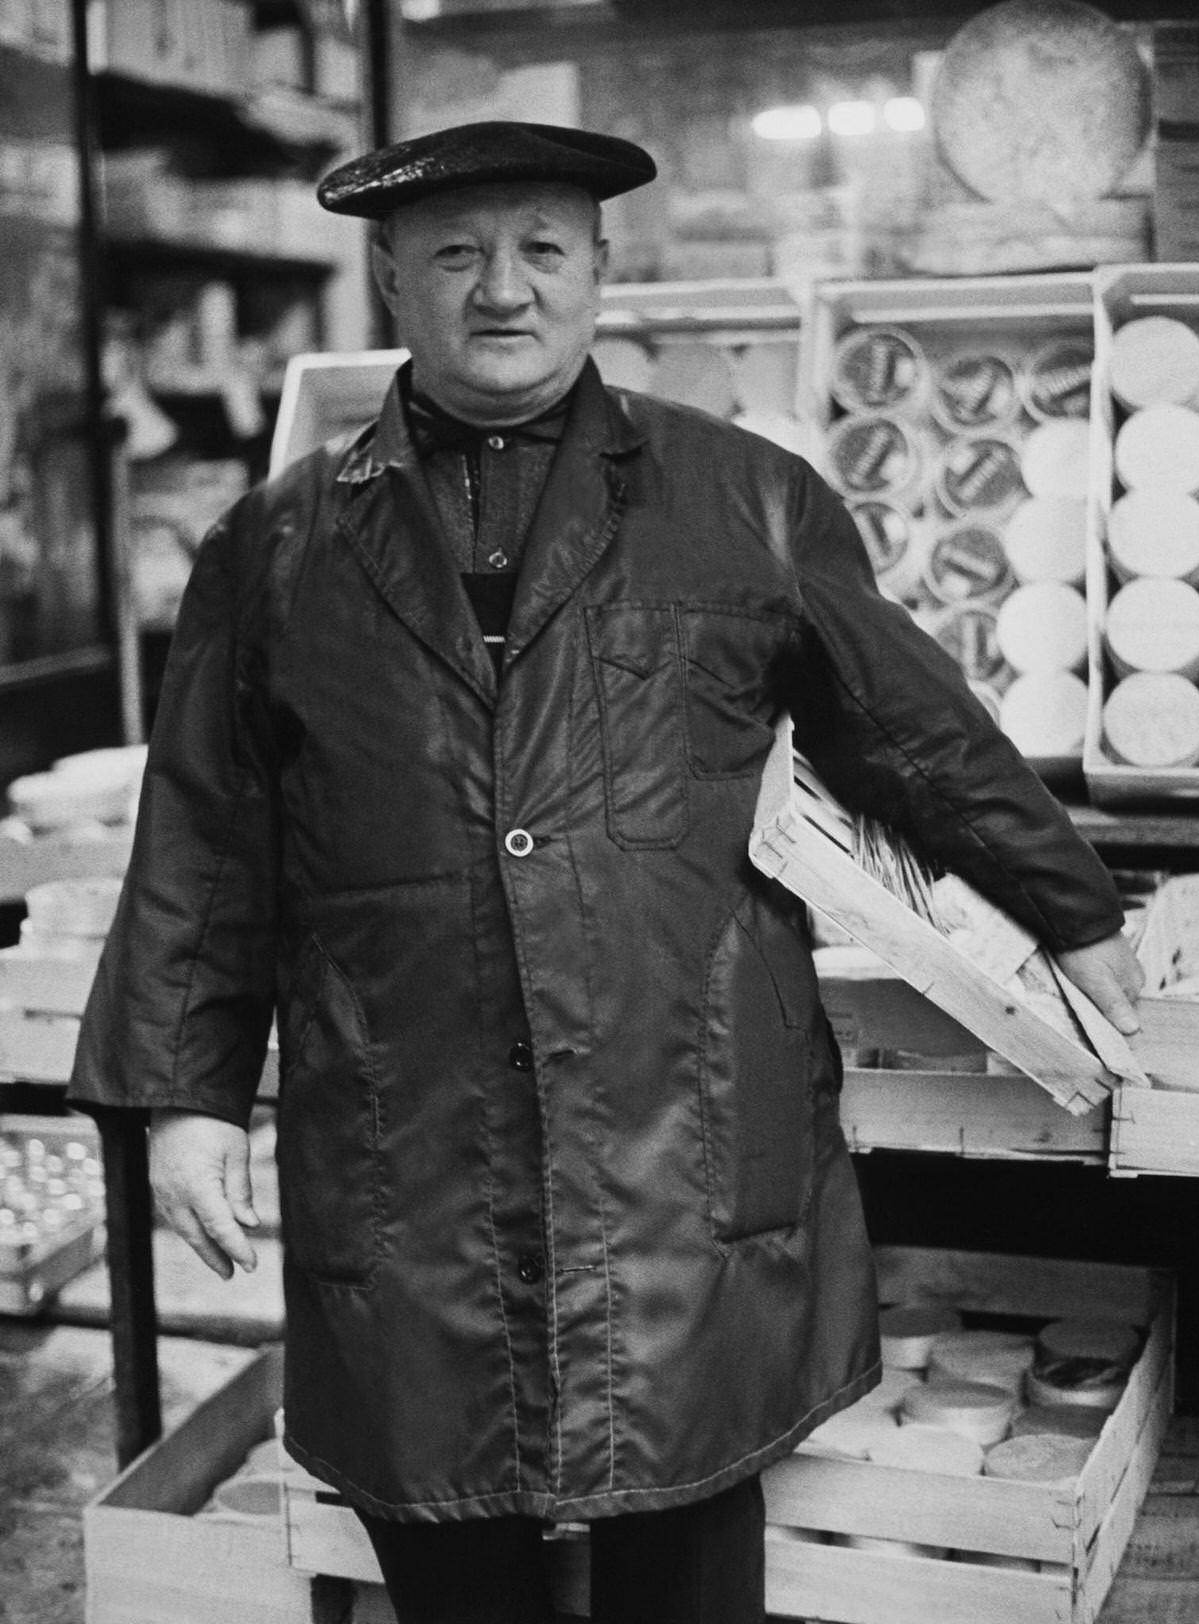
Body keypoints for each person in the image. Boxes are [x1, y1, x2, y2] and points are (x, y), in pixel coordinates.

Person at [68, 120, 1143, 1624]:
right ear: (389, 277)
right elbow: (205, 828)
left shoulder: (746, 501)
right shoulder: (278, 542)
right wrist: (185, 1102)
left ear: (599, 271)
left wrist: (1076, 908)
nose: (502, 289)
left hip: (679, 1129)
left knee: (690, 1542)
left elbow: (917, 734)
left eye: (542, 251)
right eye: (456, 253)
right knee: (447, 1543)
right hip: (408, 1134)